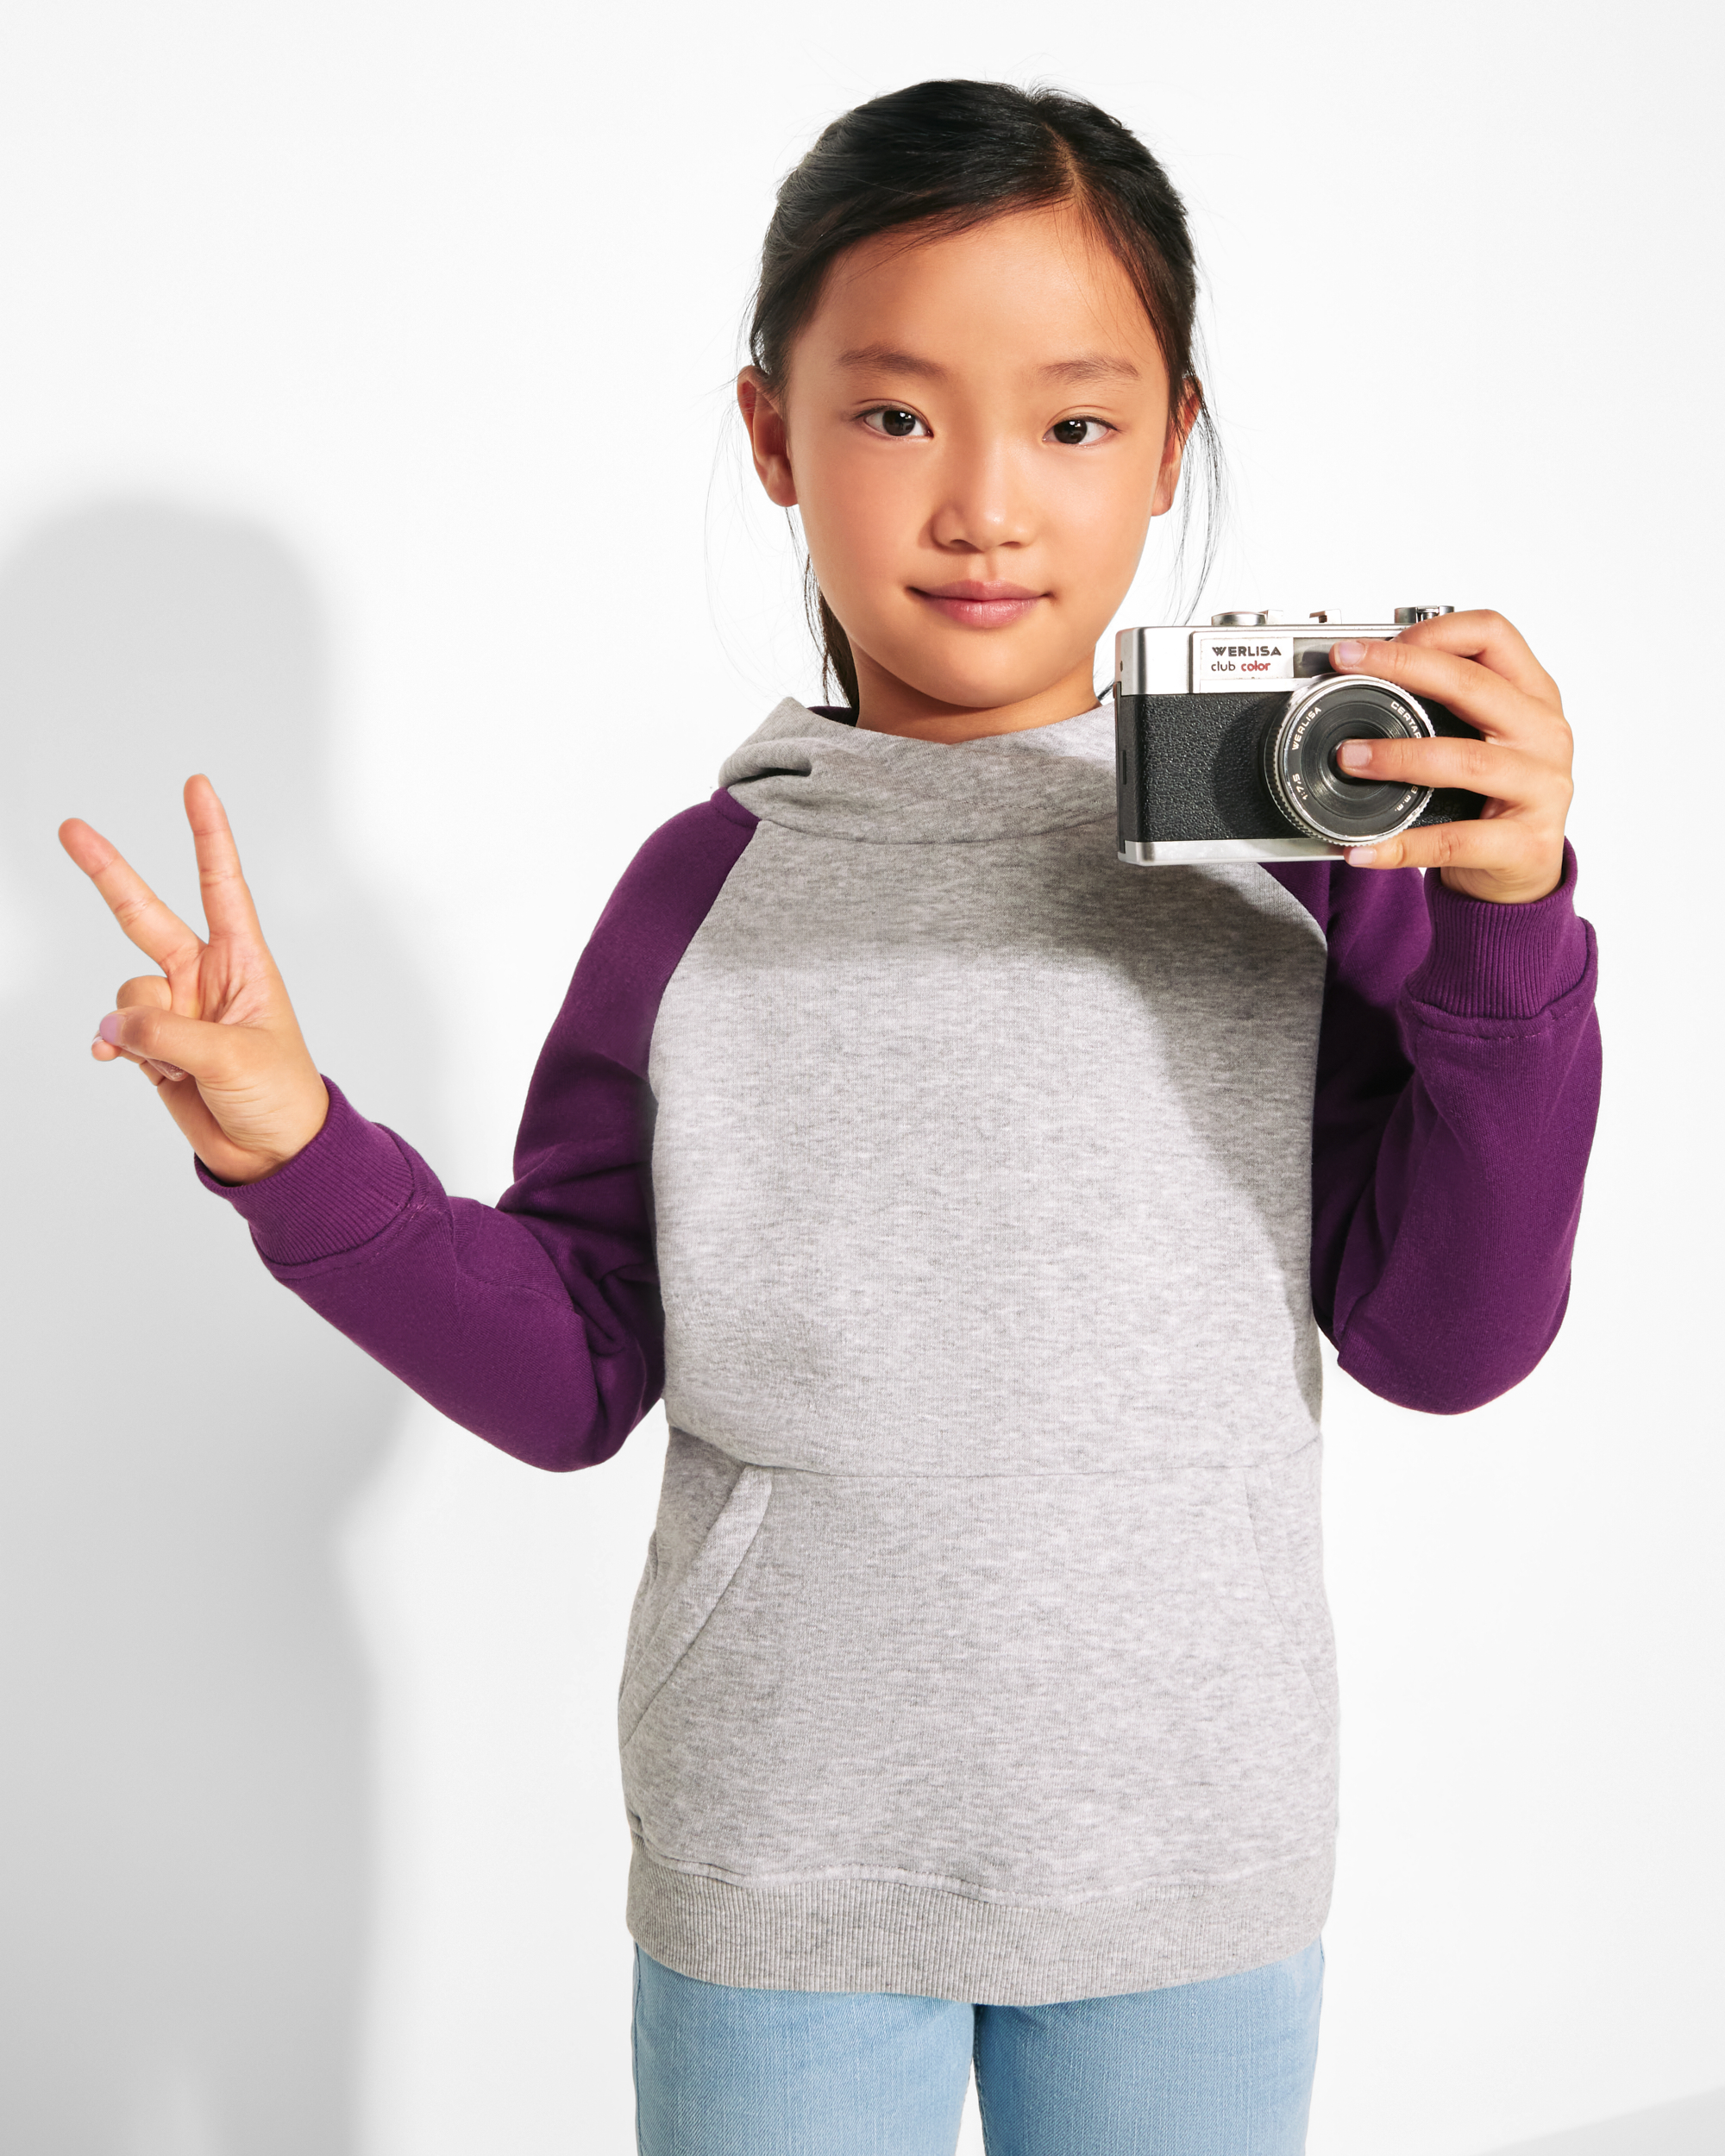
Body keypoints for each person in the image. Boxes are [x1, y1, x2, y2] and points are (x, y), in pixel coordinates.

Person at [60, 78, 1599, 2156]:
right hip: (778, 1854)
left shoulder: (1315, 870)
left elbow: (1450, 1339)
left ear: (1172, 445)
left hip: (1188, 1850)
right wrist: (293, 1146)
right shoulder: (701, 892)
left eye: (1073, 423)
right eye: (893, 413)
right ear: (772, 433)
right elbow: (574, 1369)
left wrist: (1507, 934)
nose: (985, 505)